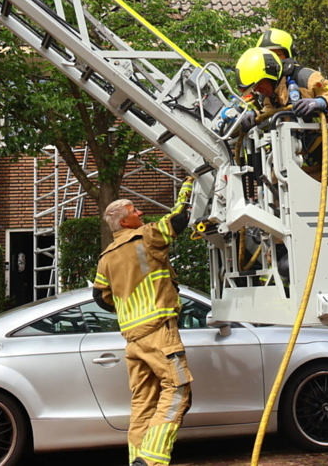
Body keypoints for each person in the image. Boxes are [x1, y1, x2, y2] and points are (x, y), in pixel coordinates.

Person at [92, 178, 195, 466]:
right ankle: (150, 460)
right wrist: (188, 186)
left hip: (133, 339)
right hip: (159, 331)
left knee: (143, 402)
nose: (141, 213)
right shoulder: (146, 237)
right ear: (125, 222)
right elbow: (178, 219)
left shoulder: (105, 258)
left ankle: (136, 460)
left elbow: (100, 297)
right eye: (135, 211)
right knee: (177, 389)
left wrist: (131, 311)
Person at [234, 46, 328, 186]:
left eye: (258, 84)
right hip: (303, 164)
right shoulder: (269, 95)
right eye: (253, 88)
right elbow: (270, 113)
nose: (257, 90)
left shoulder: (306, 79)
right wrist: (255, 115)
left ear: (271, 73)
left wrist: (321, 103)